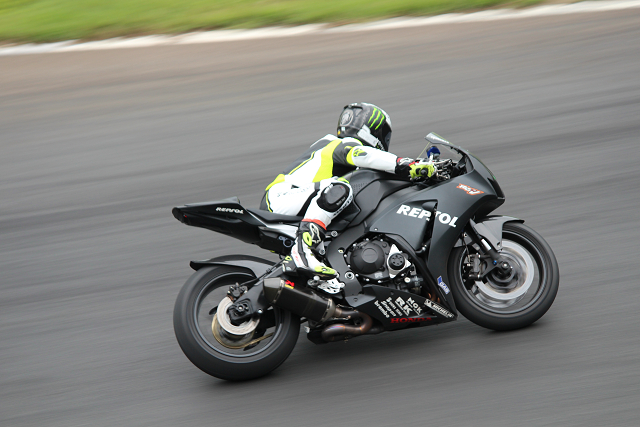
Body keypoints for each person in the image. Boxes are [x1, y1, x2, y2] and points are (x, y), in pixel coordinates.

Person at [261, 103, 435, 284]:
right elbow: (364, 155)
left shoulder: (331, 146)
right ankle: (303, 251)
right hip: (281, 198)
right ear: (372, 129)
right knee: (340, 187)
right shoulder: (342, 144)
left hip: (291, 199)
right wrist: (406, 164)